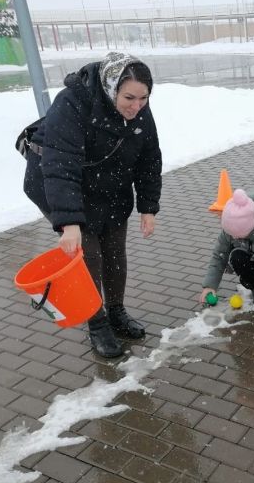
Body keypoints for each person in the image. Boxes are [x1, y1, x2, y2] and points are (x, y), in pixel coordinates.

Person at [23, 52, 162, 357]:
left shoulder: (139, 109)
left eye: (144, 98)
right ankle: (97, 323)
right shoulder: (72, 103)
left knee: (114, 251)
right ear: (112, 88)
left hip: (107, 184)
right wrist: (69, 223)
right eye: (129, 97)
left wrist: (148, 207)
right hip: (59, 184)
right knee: (89, 257)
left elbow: (149, 157)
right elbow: (60, 165)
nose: (137, 106)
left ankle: (116, 311)